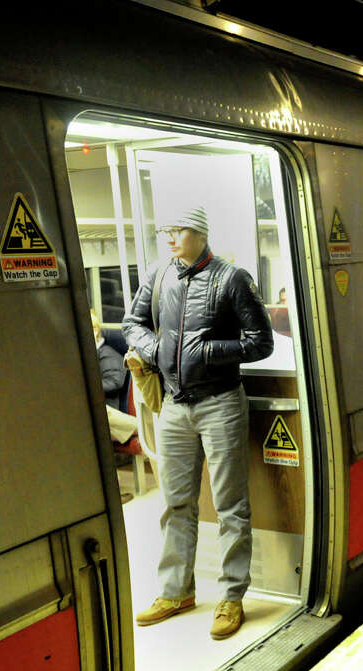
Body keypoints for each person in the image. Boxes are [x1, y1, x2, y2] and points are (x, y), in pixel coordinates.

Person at [122, 206, 273, 640]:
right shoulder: (158, 275)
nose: (169, 237)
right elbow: (133, 324)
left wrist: (206, 353)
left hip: (221, 403)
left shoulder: (232, 278)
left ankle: (231, 597)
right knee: (175, 504)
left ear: (200, 233)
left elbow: (259, 342)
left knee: (230, 507)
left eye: (178, 229)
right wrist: (157, 351)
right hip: (173, 406)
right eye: (165, 230)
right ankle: (176, 592)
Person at [91, 309, 138, 445]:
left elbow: (114, 382)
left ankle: (140, 427)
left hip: (106, 408)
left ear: (95, 331)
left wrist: (85, 390)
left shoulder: (106, 354)